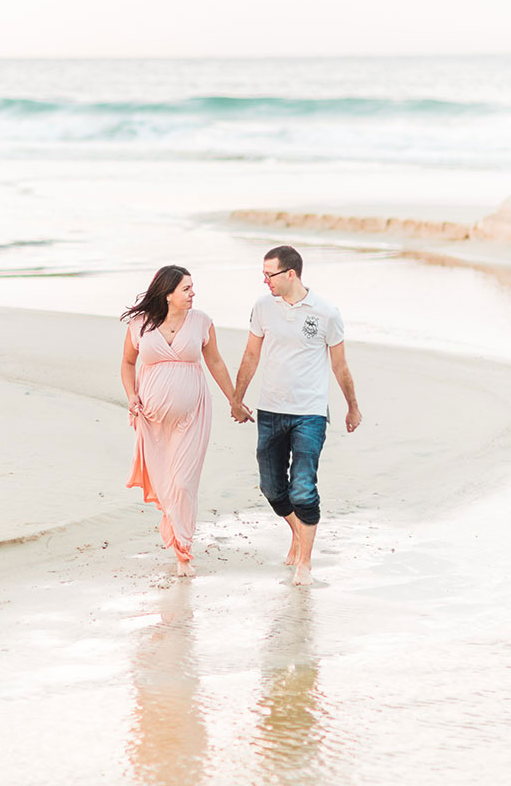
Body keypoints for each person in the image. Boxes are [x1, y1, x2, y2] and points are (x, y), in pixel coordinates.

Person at [231, 246, 360, 586]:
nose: (264, 280)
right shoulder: (262, 307)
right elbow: (250, 354)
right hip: (271, 409)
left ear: (291, 274)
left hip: (310, 413)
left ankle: (305, 561)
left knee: (303, 488)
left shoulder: (327, 313)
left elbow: (340, 365)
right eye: (263, 274)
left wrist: (352, 406)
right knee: (272, 488)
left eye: (269, 274)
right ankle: (298, 532)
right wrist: (236, 398)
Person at [121, 265, 250, 577]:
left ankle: (183, 549)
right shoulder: (140, 324)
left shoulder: (202, 322)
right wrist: (131, 395)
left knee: (183, 482)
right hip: (151, 419)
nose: (193, 294)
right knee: (166, 483)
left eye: (192, 288)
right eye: (186, 289)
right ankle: (175, 532)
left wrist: (235, 400)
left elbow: (215, 361)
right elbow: (127, 362)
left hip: (193, 416)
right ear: (168, 294)